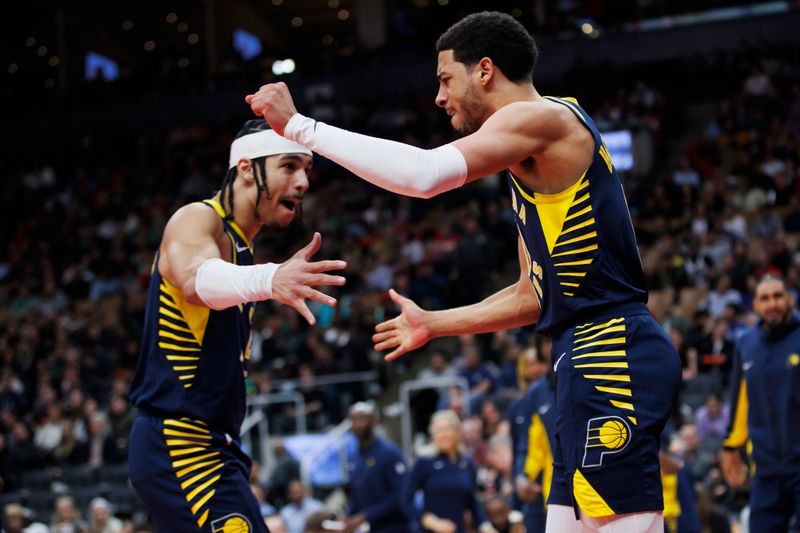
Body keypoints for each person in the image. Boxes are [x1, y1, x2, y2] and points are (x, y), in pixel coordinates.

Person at [246, 10, 680, 532]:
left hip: (612, 351)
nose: (438, 96)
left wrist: (299, 128)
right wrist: (435, 322)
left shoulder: (541, 118)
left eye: (445, 79)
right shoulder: (528, 164)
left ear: (485, 71)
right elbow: (532, 296)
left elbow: (424, 175)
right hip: (578, 354)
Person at [127, 119, 347, 531]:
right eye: (289, 166)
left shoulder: (242, 247)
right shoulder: (196, 218)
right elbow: (195, 279)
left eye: (307, 170)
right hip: (178, 443)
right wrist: (269, 279)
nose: (303, 182)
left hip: (210, 443)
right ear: (247, 168)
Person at [721, 275, 800, 532]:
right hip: (766, 469)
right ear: (755, 305)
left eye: (778, 296)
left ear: (790, 299)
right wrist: (731, 445)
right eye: (764, 298)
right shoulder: (746, 343)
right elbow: (739, 400)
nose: (772, 304)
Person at [403, 410, 495, 533]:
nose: (443, 434)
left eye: (447, 429)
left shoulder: (466, 462)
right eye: (438, 430)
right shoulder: (424, 461)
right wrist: (428, 520)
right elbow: (406, 499)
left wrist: (485, 525)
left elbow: (472, 500)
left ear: (457, 432)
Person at [343, 401, 408, 533]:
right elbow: (356, 494)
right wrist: (349, 517)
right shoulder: (353, 456)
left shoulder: (390, 453)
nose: (358, 424)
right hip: (369, 528)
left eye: (362, 419)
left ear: (374, 422)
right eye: (354, 420)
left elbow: (400, 494)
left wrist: (365, 516)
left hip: (394, 527)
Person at [510, 346, 556, 533]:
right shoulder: (521, 403)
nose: (535, 368)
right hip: (533, 481)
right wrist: (519, 477)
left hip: (557, 480)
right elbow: (519, 446)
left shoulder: (561, 388)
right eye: (530, 364)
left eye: (538, 363)